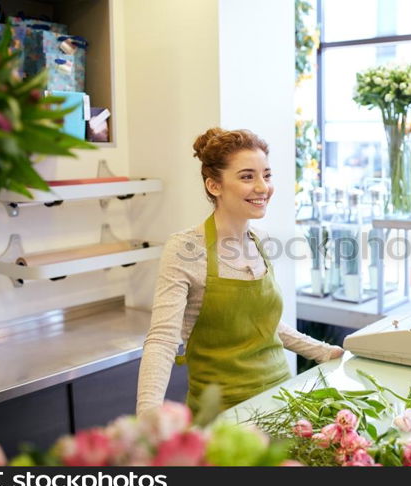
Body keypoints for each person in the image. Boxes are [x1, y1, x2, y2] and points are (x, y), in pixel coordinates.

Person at [137, 128, 343, 416]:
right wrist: (147, 416)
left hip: (282, 402)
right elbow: (162, 340)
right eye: (248, 177)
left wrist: (326, 352)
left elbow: (266, 324)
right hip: (221, 414)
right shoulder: (185, 249)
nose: (262, 187)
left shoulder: (261, 241)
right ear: (214, 186)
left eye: (267, 175)